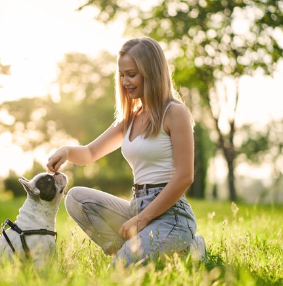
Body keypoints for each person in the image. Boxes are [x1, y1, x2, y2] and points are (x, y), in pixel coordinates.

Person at [46, 37, 205, 266]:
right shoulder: (130, 118)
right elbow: (90, 153)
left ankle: (184, 248)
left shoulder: (175, 112)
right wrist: (67, 151)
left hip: (171, 216)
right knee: (76, 199)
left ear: (151, 72)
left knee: (120, 269)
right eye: (121, 75)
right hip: (137, 206)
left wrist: (142, 220)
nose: (125, 82)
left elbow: (185, 176)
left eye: (131, 74)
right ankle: (139, 252)